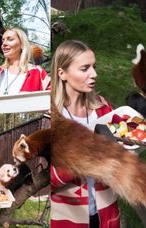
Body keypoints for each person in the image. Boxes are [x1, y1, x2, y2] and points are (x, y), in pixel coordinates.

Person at [50, 40, 120, 228]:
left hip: (106, 212)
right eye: (85, 68)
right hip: (68, 217)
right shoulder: (51, 117)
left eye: (94, 67)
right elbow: (46, 177)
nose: (94, 74)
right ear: (62, 73)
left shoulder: (104, 109)